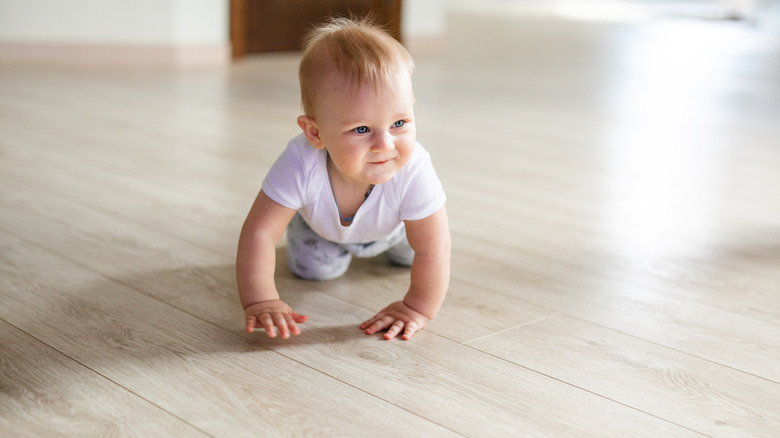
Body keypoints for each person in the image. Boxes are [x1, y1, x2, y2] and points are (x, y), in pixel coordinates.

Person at [236, 17, 450, 341]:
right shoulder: (300, 161)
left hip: (395, 231)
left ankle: (399, 246)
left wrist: (417, 307)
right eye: (361, 129)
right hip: (321, 230)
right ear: (315, 132)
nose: (385, 145)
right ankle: (320, 246)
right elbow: (260, 232)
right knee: (314, 272)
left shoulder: (414, 167)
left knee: (417, 252)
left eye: (400, 122)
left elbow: (436, 248)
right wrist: (261, 299)